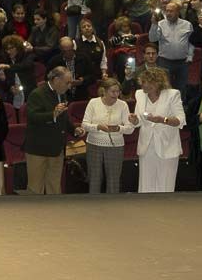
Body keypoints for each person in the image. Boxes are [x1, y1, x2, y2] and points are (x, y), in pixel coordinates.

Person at [132, 66, 186, 193]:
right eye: (143, 82)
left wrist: (163, 120)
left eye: (148, 82)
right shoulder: (139, 95)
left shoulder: (173, 94)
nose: (144, 85)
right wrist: (134, 120)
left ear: (158, 83)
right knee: (146, 185)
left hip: (167, 146)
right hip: (146, 146)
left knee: (165, 184)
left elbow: (181, 120)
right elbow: (138, 120)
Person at [23, 66, 76, 194]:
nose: (69, 86)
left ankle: (55, 213)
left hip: (57, 149)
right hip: (38, 149)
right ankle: (35, 214)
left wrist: (74, 130)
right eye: (67, 82)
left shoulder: (61, 94)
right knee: (35, 188)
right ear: (56, 79)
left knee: (55, 187)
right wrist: (53, 114)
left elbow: (63, 117)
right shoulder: (37, 94)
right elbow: (32, 117)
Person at [78, 77, 134, 194]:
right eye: (112, 91)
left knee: (113, 180)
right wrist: (98, 127)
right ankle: (94, 206)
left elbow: (130, 129)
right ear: (104, 91)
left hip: (116, 147)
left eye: (118, 91)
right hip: (94, 145)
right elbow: (84, 125)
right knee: (94, 179)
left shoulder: (123, 105)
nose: (116, 94)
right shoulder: (93, 103)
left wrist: (118, 128)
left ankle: (112, 207)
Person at [148, 0, 194, 98]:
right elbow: (152, 39)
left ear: (178, 12)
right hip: (165, 61)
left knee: (181, 89)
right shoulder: (160, 24)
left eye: (171, 11)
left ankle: (180, 110)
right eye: (167, 11)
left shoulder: (187, 24)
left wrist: (190, 56)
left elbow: (191, 42)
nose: (168, 13)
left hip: (182, 62)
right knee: (164, 89)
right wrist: (154, 24)